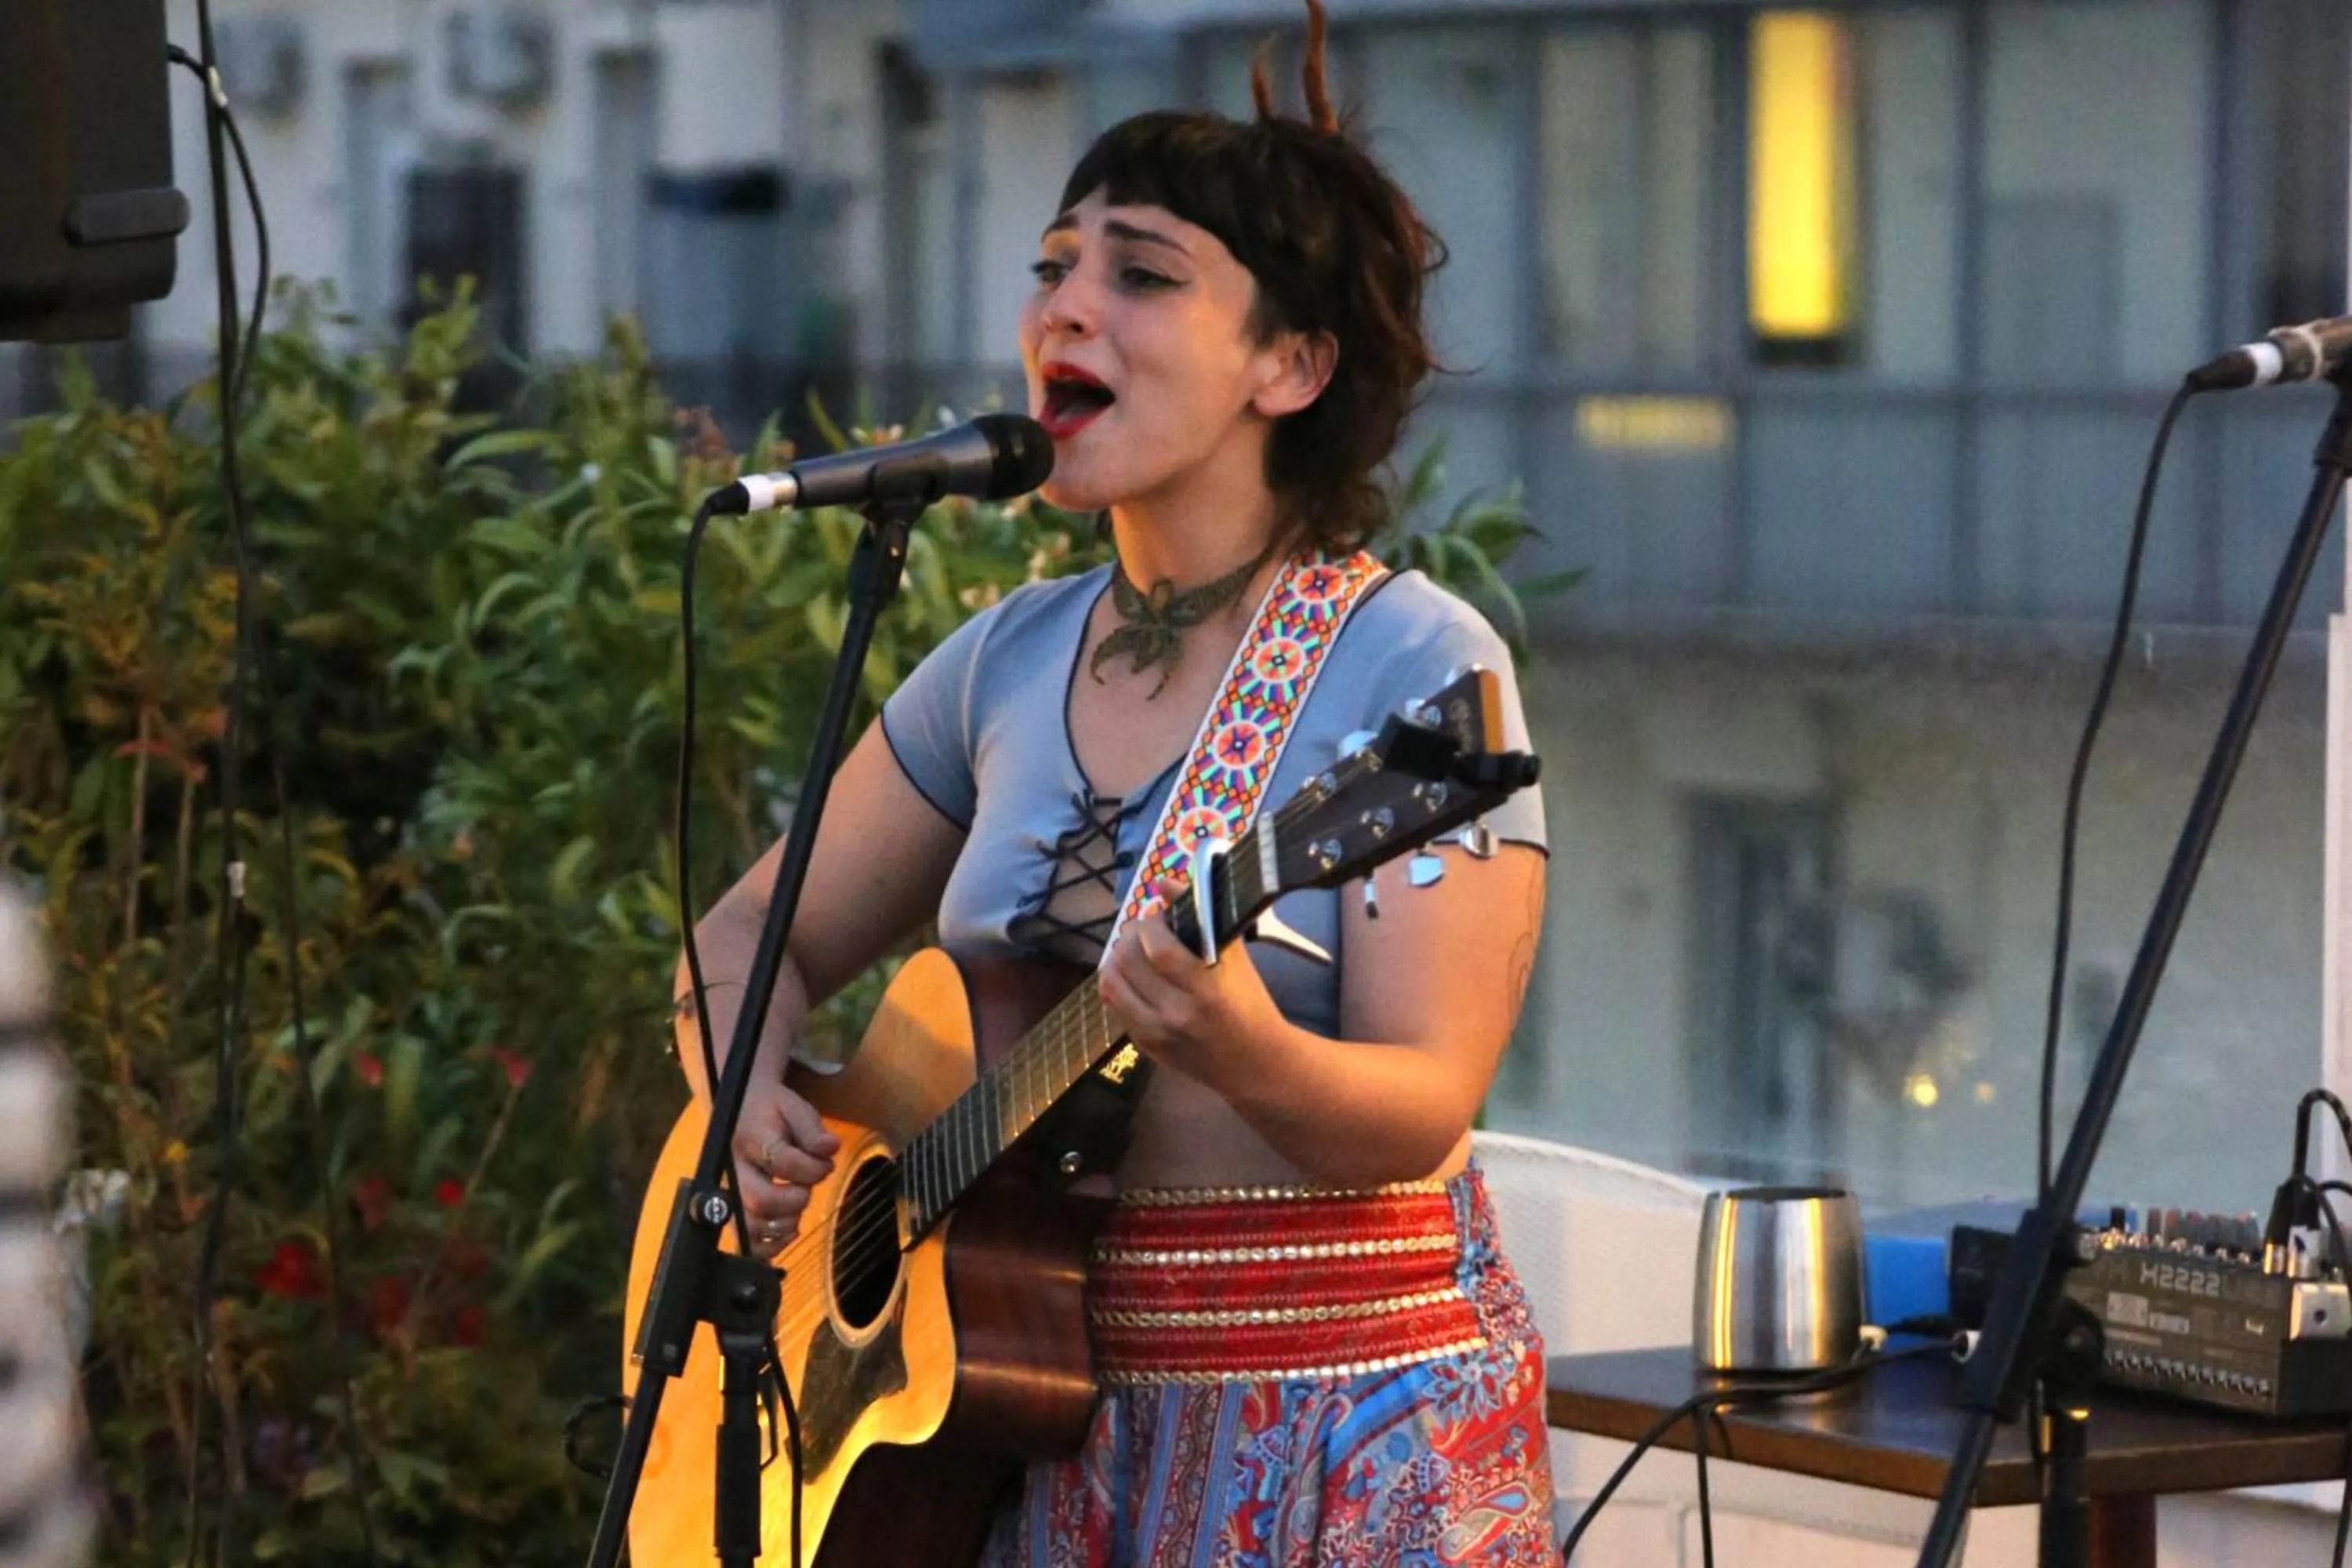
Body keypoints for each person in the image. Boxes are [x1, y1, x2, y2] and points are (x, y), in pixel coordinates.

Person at [676, 2, 1555, 1559]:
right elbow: (744, 943)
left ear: (1288, 363)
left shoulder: (1415, 665)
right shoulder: (1004, 658)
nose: (1068, 309)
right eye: (1053, 269)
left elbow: (1425, 1105)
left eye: (1140, 274)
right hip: (1040, 1439)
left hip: (1344, 1440)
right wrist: (739, 1100)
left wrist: (1238, 1042)